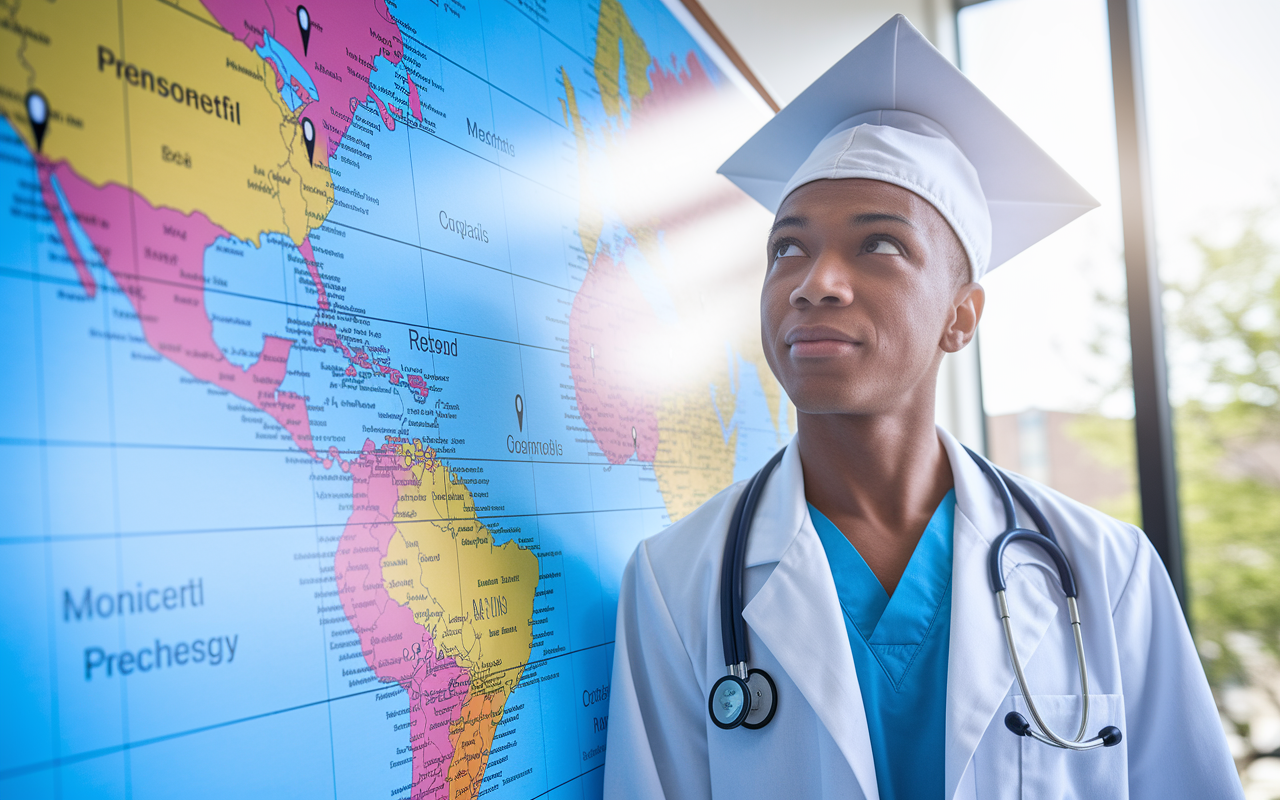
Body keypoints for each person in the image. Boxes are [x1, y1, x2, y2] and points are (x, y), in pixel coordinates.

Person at [601, 14, 1242, 800]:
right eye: (787, 248)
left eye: (878, 245)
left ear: (962, 316)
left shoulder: (1107, 572)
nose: (813, 282)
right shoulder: (674, 585)